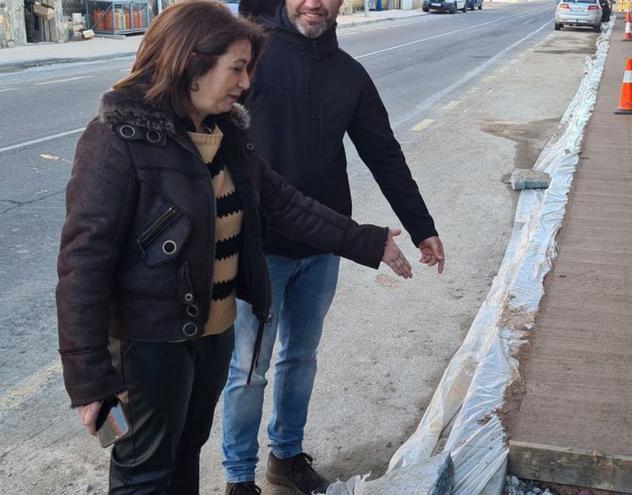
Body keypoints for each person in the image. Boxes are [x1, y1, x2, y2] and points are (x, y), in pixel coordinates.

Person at [55, 2, 412, 493]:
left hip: (211, 334)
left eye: (248, 69)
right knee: (145, 474)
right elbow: (82, 262)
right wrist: (88, 376)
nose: (245, 84)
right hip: (151, 344)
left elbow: (285, 205)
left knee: (184, 456)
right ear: (192, 62)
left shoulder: (225, 136)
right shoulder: (119, 137)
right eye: (237, 68)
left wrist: (367, 241)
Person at [220, 0, 445, 492]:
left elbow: (383, 153)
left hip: (322, 246)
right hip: (258, 249)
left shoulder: (350, 75)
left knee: (300, 357)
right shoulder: (251, 63)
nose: (314, 3)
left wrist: (421, 225)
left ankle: (286, 456)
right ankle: (239, 477)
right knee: (248, 369)